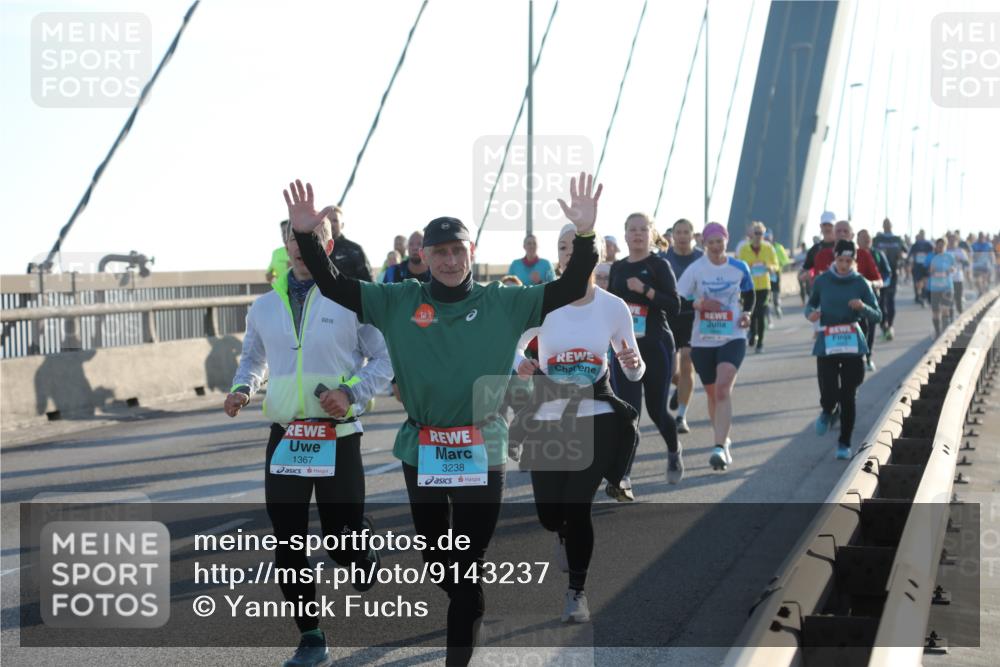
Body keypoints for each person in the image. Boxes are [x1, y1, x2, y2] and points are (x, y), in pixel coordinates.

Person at [287, 173, 601, 667]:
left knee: (467, 564)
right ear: (426, 257)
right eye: (440, 253)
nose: (450, 261)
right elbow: (333, 283)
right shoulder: (399, 301)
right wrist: (307, 236)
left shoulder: (505, 302)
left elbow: (567, 287)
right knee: (439, 561)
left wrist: (585, 235)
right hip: (423, 449)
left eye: (458, 251)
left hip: (483, 448)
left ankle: (460, 644)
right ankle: (468, 599)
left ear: (471, 252)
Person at [225, 216, 393, 667]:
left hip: (338, 434)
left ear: (327, 243)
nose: (302, 248)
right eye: (294, 240)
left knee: (342, 539)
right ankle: (311, 635)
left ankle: (360, 549)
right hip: (287, 436)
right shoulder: (263, 307)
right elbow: (253, 359)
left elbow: (384, 357)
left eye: (312, 239)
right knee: (289, 541)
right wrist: (244, 388)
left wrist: (352, 392)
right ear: (284, 246)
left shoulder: (351, 298)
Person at [511, 223, 643, 623]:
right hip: (550, 413)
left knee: (578, 503)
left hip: (596, 414)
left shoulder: (613, 307)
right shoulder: (541, 302)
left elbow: (634, 369)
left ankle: (577, 592)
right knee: (551, 513)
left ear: (594, 255)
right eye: (563, 247)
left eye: (576, 246)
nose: (569, 253)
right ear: (558, 256)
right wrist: (522, 365)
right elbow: (510, 345)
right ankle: (562, 533)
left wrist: (633, 365)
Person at [607, 212, 682, 495]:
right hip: (625, 349)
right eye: (632, 230)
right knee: (629, 414)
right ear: (625, 235)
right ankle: (623, 477)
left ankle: (674, 449)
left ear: (650, 234)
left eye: (642, 229)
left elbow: (674, 305)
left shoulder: (658, 265)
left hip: (656, 346)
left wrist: (646, 290)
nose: (637, 234)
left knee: (656, 411)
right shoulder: (617, 268)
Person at [676, 223, 755, 471]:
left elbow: (751, 293)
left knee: (722, 389)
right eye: (711, 242)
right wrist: (698, 303)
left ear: (726, 241)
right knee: (712, 394)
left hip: (733, 336)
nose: (715, 246)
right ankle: (724, 439)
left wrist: (748, 314)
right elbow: (678, 299)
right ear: (705, 244)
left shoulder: (739, 267)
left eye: (719, 241)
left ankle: (718, 447)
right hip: (703, 340)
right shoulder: (696, 269)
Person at [805, 239, 881, 459]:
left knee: (848, 396)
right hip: (828, 344)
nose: (844, 265)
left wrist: (862, 307)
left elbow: (877, 315)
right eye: (840, 260)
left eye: (849, 261)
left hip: (853, 346)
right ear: (834, 259)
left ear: (854, 261)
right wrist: (811, 314)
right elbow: (810, 305)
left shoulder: (860, 283)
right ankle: (828, 410)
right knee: (829, 394)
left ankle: (844, 443)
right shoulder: (822, 281)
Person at [664, 218, 704, 434]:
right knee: (671, 370)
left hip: (692, 317)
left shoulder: (701, 258)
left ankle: (681, 416)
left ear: (692, 234)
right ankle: (679, 386)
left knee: (688, 360)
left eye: (685, 232)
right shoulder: (665, 258)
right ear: (673, 235)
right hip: (669, 317)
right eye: (678, 232)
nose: (681, 236)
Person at [736, 221, 780, 353]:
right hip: (748, 286)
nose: (759, 236)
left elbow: (776, 265)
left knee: (761, 313)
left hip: (763, 286)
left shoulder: (769, 248)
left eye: (761, 233)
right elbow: (739, 267)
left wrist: (769, 267)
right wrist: (748, 267)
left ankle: (760, 342)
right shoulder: (744, 249)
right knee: (751, 312)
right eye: (756, 233)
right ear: (751, 234)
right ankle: (752, 333)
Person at [857, 229, 890, 371]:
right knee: (860, 328)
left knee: (870, 328)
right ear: (857, 240)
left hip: (873, 296)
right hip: (856, 299)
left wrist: (877, 284)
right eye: (863, 238)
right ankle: (858, 357)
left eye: (868, 238)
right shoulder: (852, 256)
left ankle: (868, 357)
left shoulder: (878, 254)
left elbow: (886, 274)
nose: (866, 240)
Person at [873, 218, 905, 340]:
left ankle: (890, 325)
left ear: (891, 225)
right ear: (882, 225)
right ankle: (883, 326)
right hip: (879, 274)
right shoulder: (877, 239)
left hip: (893, 273)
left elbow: (905, 252)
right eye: (885, 224)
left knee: (890, 300)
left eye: (888, 224)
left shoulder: (897, 239)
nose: (887, 225)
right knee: (880, 302)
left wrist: (901, 256)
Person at [326, 205, 373, 281]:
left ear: (342, 225)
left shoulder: (355, 249)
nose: (331, 224)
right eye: (328, 220)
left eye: (335, 220)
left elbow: (368, 281)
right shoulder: (315, 249)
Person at [799, 212, 837, 296]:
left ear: (835, 227)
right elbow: (805, 271)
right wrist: (806, 275)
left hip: (839, 289)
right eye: (824, 225)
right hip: (820, 292)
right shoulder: (814, 249)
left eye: (830, 225)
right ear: (820, 226)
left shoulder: (841, 246)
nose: (827, 228)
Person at [925, 237, 957, 337]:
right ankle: (938, 332)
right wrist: (931, 270)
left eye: (942, 246)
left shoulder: (950, 256)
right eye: (938, 246)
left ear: (945, 246)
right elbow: (926, 269)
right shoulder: (931, 256)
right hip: (934, 288)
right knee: (935, 312)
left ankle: (945, 334)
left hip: (947, 287)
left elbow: (955, 268)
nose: (940, 248)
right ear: (936, 246)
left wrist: (952, 269)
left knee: (945, 310)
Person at [765, 229, 790, 319]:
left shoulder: (778, 247)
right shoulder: (761, 248)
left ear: (772, 237)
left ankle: (777, 306)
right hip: (764, 274)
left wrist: (777, 265)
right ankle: (768, 315)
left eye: (768, 237)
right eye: (765, 237)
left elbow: (785, 260)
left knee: (775, 293)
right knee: (766, 295)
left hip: (775, 273)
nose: (767, 239)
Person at [909, 230, 934, 306]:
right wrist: (909, 263)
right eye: (921, 234)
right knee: (918, 283)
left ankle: (924, 296)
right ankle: (919, 296)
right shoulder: (915, 245)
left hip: (925, 266)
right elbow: (910, 255)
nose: (922, 235)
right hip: (917, 267)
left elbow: (933, 254)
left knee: (925, 282)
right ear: (919, 235)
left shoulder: (928, 244)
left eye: (923, 234)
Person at [947, 234, 970, 313]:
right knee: (949, 299)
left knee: (958, 298)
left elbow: (967, 263)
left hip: (958, 278)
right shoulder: (945, 251)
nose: (952, 242)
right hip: (947, 279)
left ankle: (960, 316)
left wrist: (960, 260)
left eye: (954, 240)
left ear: (957, 241)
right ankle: (950, 318)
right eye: (951, 240)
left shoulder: (960, 251)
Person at [267, 220, 292, 288]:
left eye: (287, 232)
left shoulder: (304, 250)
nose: (284, 235)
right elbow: (270, 273)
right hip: (281, 292)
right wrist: (272, 275)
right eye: (283, 232)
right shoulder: (276, 253)